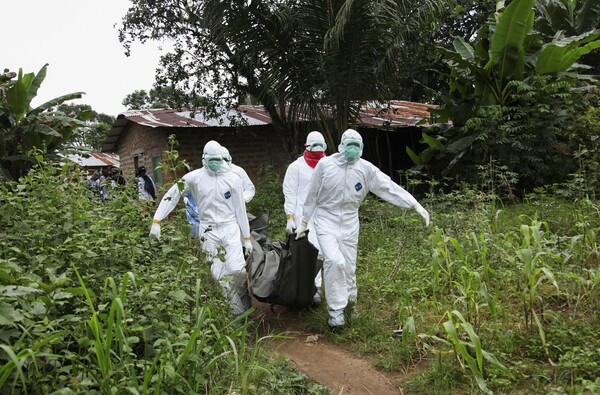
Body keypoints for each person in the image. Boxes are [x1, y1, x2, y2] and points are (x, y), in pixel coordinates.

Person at [295, 129, 430, 328]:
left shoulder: (365, 169)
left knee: (349, 266)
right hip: (326, 220)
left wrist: (414, 204)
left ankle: (351, 304)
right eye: (350, 145)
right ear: (341, 145)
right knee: (334, 261)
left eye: (357, 146)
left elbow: (387, 186)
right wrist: (304, 222)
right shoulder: (326, 165)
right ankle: (336, 310)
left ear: (362, 149)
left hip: (350, 222)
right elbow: (312, 194)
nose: (353, 150)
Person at [149, 140, 253, 316]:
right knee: (218, 275)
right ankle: (238, 314)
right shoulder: (194, 178)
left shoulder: (233, 179)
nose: (215, 163)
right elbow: (172, 195)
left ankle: (241, 294)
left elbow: (240, 210)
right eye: (211, 159)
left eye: (218, 160)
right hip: (208, 230)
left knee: (238, 270)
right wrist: (157, 220)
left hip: (230, 227)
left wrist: (247, 238)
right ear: (204, 159)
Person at [283, 131, 328, 304]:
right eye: (314, 146)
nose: (317, 150)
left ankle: (318, 289)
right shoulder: (296, 167)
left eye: (321, 146)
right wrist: (290, 217)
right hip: (302, 219)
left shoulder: (328, 164)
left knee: (323, 254)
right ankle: (308, 291)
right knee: (307, 255)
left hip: (324, 217)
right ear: (306, 147)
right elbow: (290, 193)